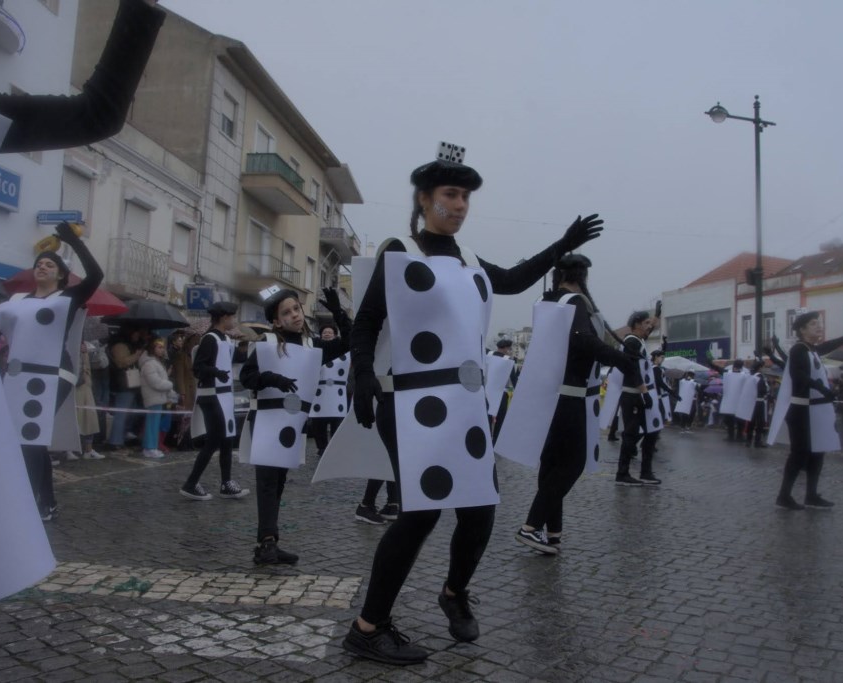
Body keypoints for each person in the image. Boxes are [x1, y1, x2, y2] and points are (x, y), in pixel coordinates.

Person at [0, 0, 164, 678]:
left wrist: (72, 245)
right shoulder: (20, 301)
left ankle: (39, 503)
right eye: (48, 263)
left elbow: (95, 113)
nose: (50, 269)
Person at [337, 151, 604, 665]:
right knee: (419, 515)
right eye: (450, 194)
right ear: (425, 199)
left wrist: (562, 246)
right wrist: (362, 373)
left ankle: (454, 592)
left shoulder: (471, 260)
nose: (460, 205)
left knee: (481, 509)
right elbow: (367, 320)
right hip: (411, 401)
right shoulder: (401, 252)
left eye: (465, 197)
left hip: (466, 404)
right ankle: (367, 627)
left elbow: (516, 279)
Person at [500, 254, 637, 555]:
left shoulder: (547, 301)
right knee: (571, 465)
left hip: (549, 396)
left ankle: (553, 534)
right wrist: (621, 359)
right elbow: (582, 340)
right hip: (570, 396)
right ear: (582, 276)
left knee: (552, 465)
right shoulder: (575, 302)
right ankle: (530, 527)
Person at [0, 222, 103, 521]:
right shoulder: (16, 302)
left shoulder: (67, 298)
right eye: (39, 264)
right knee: (30, 439)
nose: (42, 267)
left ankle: (28, 505)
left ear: (60, 274)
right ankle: (47, 502)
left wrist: (74, 242)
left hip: (53, 374)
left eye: (49, 264)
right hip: (19, 376)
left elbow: (96, 275)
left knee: (30, 436)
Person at [240, 287, 349, 564]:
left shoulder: (312, 346)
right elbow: (247, 376)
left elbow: (350, 341)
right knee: (267, 482)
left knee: (278, 483)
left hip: (292, 423)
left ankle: (268, 542)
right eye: (287, 313)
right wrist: (271, 378)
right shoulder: (267, 342)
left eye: (296, 309)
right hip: (266, 419)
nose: (295, 315)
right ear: (277, 321)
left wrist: (338, 312)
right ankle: (267, 542)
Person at [769, 314, 843, 510]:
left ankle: (811, 495)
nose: (818, 326)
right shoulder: (798, 350)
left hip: (815, 409)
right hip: (801, 409)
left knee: (818, 452)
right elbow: (798, 376)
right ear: (802, 330)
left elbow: (829, 345)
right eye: (813, 324)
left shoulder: (812, 349)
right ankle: (784, 495)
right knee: (799, 454)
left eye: (819, 323)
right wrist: (822, 388)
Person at [180, 301, 249, 501]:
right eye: (232, 317)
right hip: (212, 395)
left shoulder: (224, 339)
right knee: (214, 440)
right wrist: (216, 372)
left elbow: (236, 358)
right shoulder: (210, 339)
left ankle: (226, 483)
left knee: (227, 439)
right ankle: (191, 483)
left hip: (224, 395)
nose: (234, 320)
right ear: (224, 317)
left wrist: (249, 346)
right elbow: (198, 367)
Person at [601, 311, 659, 486]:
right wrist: (644, 392)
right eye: (646, 323)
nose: (649, 326)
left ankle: (646, 472)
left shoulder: (638, 341)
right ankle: (622, 473)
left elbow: (648, 333)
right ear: (637, 324)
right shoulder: (631, 342)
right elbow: (631, 369)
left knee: (651, 432)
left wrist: (657, 316)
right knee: (630, 434)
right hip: (633, 395)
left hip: (639, 394)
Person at [105, 325, 148, 453]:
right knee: (122, 413)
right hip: (123, 384)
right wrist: (136, 355)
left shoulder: (131, 345)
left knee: (131, 412)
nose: (137, 336)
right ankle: (115, 441)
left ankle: (122, 437)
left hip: (131, 383)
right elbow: (121, 362)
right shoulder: (120, 345)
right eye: (136, 333)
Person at [311, 320, 349, 457]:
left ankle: (334, 447)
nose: (327, 334)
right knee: (318, 421)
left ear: (335, 335)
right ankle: (321, 447)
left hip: (337, 392)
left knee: (336, 420)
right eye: (324, 332)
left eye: (330, 332)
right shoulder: (314, 346)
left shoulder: (341, 346)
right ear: (320, 335)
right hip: (318, 390)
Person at [139, 337, 173, 459]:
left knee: (154, 423)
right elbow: (155, 382)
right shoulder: (149, 364)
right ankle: (149, 447)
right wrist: (169, 385)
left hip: (158, 397)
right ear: (152, 348)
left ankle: (151, 446)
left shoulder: (156, 362)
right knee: (152, 424)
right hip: (153, 397)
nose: (162, 350)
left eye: (163, 347)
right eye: (159, 347)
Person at [75, 341, 105, 459]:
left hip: (87, 387)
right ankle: (70, 450)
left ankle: (88, 449)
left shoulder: (88, 349)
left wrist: (91, 353)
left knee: (90, 418)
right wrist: (80, 354)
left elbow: (100, 364)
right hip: (76, 388)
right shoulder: (72, 349)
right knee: (76, 419)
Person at [487, 338, 518, 444]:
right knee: (500, 420)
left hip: (486, 393)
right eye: (509, 349)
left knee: (487, 419)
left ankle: (486, 441)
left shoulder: (488, 355)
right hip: (501, 394)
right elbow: (514, 380)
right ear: (506, 348)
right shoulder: (508, 360)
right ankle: (495, 442)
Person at [743, 360, 769, 447]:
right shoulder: (759, 377)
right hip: (759, 402)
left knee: (751, 421)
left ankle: (749, 440)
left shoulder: (751, 376)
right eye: (763, 367)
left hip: (752, 401)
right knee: (760, 423)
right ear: (760, 368)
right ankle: (757, 441)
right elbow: (763, 390)